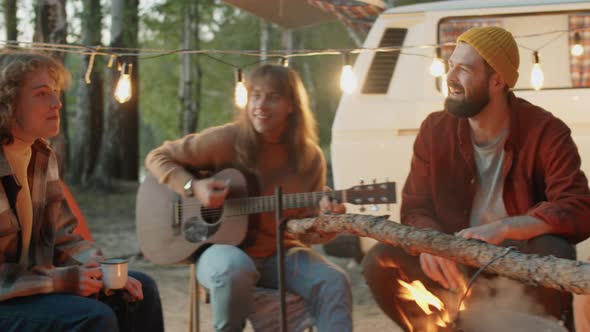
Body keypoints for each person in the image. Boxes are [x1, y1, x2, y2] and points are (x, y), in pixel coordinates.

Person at [361, 26, 590, 331]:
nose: (451, 76)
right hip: (455, 258)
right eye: (451, 64)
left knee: (553, 249)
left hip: (518, 263)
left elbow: (577, 206)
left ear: (497, 81)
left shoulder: (546, 131)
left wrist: (507, 227)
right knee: (380, 260)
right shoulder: (434, 130)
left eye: (464, 69)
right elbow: (416, 208)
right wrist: (431, 244)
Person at [145, 64, 352, 332]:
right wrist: (193, 187)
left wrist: (329, 222)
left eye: (273, 97)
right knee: (235, 268)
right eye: (255, 95)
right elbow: (157, 157)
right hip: (219, 252)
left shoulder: (309, 158)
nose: (261, 106)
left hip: (278, 254)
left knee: (334, 281)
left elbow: (308, 232)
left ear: (292, 105)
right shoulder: (225, 139)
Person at [0, 50, 164, 332]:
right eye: (41, 94)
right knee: (93, 317)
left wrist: (100, 268)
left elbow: (62, 236)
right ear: (7, 102)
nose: (57, 103)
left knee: (140, 291)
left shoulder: (41, 155)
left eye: (55, 92)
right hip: (7, 297)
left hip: (30, 289)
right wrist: (61, 281)